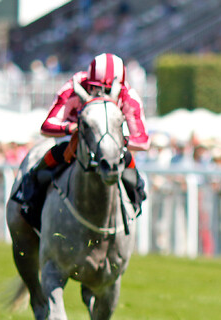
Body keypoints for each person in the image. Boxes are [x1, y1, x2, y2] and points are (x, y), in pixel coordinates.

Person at [15, 53, 149, 229]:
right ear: (89, 82)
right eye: (95, 88)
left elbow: (143, 141)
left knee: (130, 168)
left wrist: (114, 140)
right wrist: (71, 128)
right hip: (74, 137)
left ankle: (134, 205)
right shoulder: (74, 86)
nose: (101, 94)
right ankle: (30, 201)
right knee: (55, 155)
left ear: (118, 88)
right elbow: (47, 125)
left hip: (111, 143)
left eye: (108, 91)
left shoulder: (129, 96)